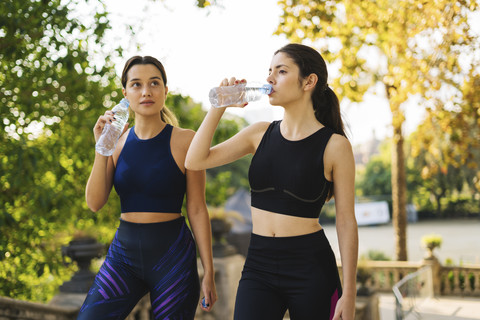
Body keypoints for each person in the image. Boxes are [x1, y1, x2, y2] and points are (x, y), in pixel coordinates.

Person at [185, 43, 358, 320]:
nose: (269, 79)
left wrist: (349, 292)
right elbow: (194, 161)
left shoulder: (335, 146)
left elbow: (346, 221)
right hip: (259, 266)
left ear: (309, 81)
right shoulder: (259, 133)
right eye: (269, 71)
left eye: (281, 71)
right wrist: (219, 106)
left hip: (311, 267)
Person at [78, 56, 217, 319]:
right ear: (125, 93)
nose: (146, 92)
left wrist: (208, 271)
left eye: (154, 83)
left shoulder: (187, 140)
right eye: (136, 85)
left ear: (165, 90)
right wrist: (102, 147)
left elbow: (197, 208)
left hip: (173, 256)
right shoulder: (116, 144)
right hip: (123, 257)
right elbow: (95, 203)